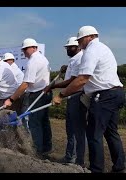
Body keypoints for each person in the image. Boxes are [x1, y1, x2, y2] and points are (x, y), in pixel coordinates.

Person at [53, 26, 125, 173]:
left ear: (89, 37)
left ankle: (96, 169)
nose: (79, 43)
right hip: (116, 93)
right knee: (111, 133)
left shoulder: (91, 50)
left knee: (93, 133)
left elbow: (82, 79)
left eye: (80, 40)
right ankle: (119, 167)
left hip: (103, 96)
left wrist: (61, 95)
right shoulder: (103, 48)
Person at [4, 38, 53, 157]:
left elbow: (26, 83)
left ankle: (38, 151)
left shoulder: (33, 61)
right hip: (44, 92)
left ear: (34, 48)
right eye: (23, 50)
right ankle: (47, 148)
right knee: (44, 122)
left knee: (35, 124)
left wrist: (11, 99)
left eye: (26, 49)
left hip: (37, 94)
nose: (24, 52)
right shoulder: (42, 58)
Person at [44, 37, 87, 166]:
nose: (68, 49)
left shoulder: (79, 58)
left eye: (71, 47)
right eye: (67, 48)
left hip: (76, 96)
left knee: (75, 129)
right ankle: (72, 157)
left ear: (78, 47)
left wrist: (54, 86)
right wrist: (65, 68)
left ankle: (73, 159)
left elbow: (72, 81)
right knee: (72, 129)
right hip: (73, 96)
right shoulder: (75, 59)